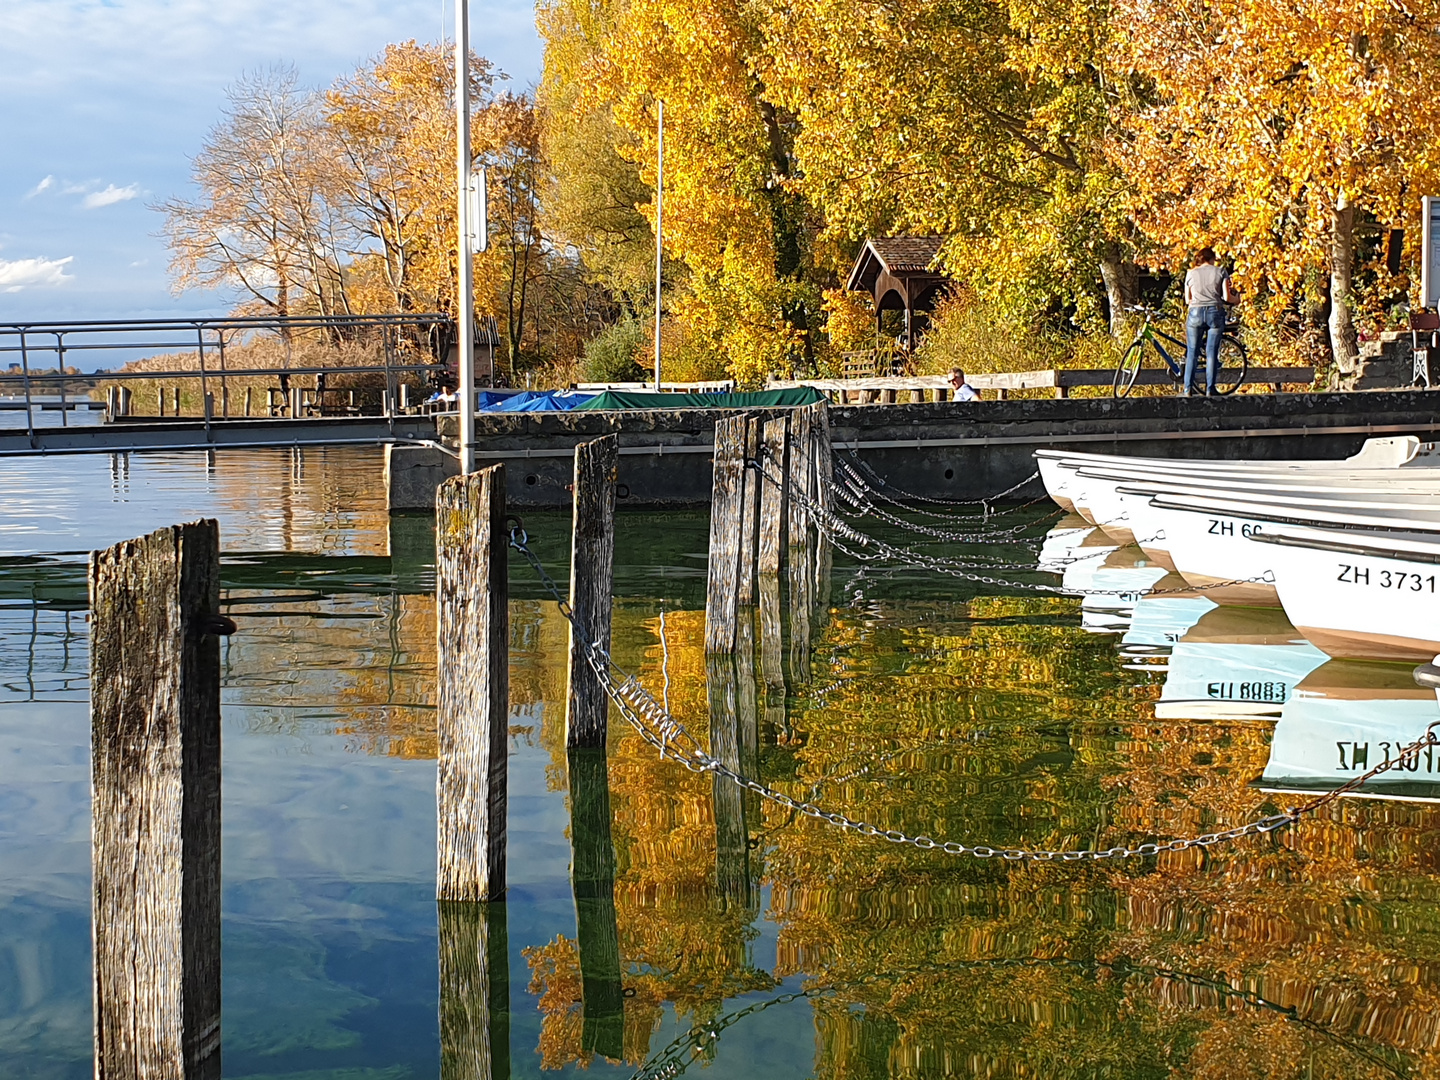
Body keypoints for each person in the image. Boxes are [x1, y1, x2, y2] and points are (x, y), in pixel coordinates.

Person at [1183, 247, 1241, 396]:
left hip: (1195, 312)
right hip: (1215, 312)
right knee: (1211, 352)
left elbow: (1188, 299)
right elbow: (1227, 297)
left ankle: (1188, 388)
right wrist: (1238, 299)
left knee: (1192, 352)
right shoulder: (1220, 272)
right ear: (1212, 258)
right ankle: (1210, 389)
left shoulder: (1190, 273)